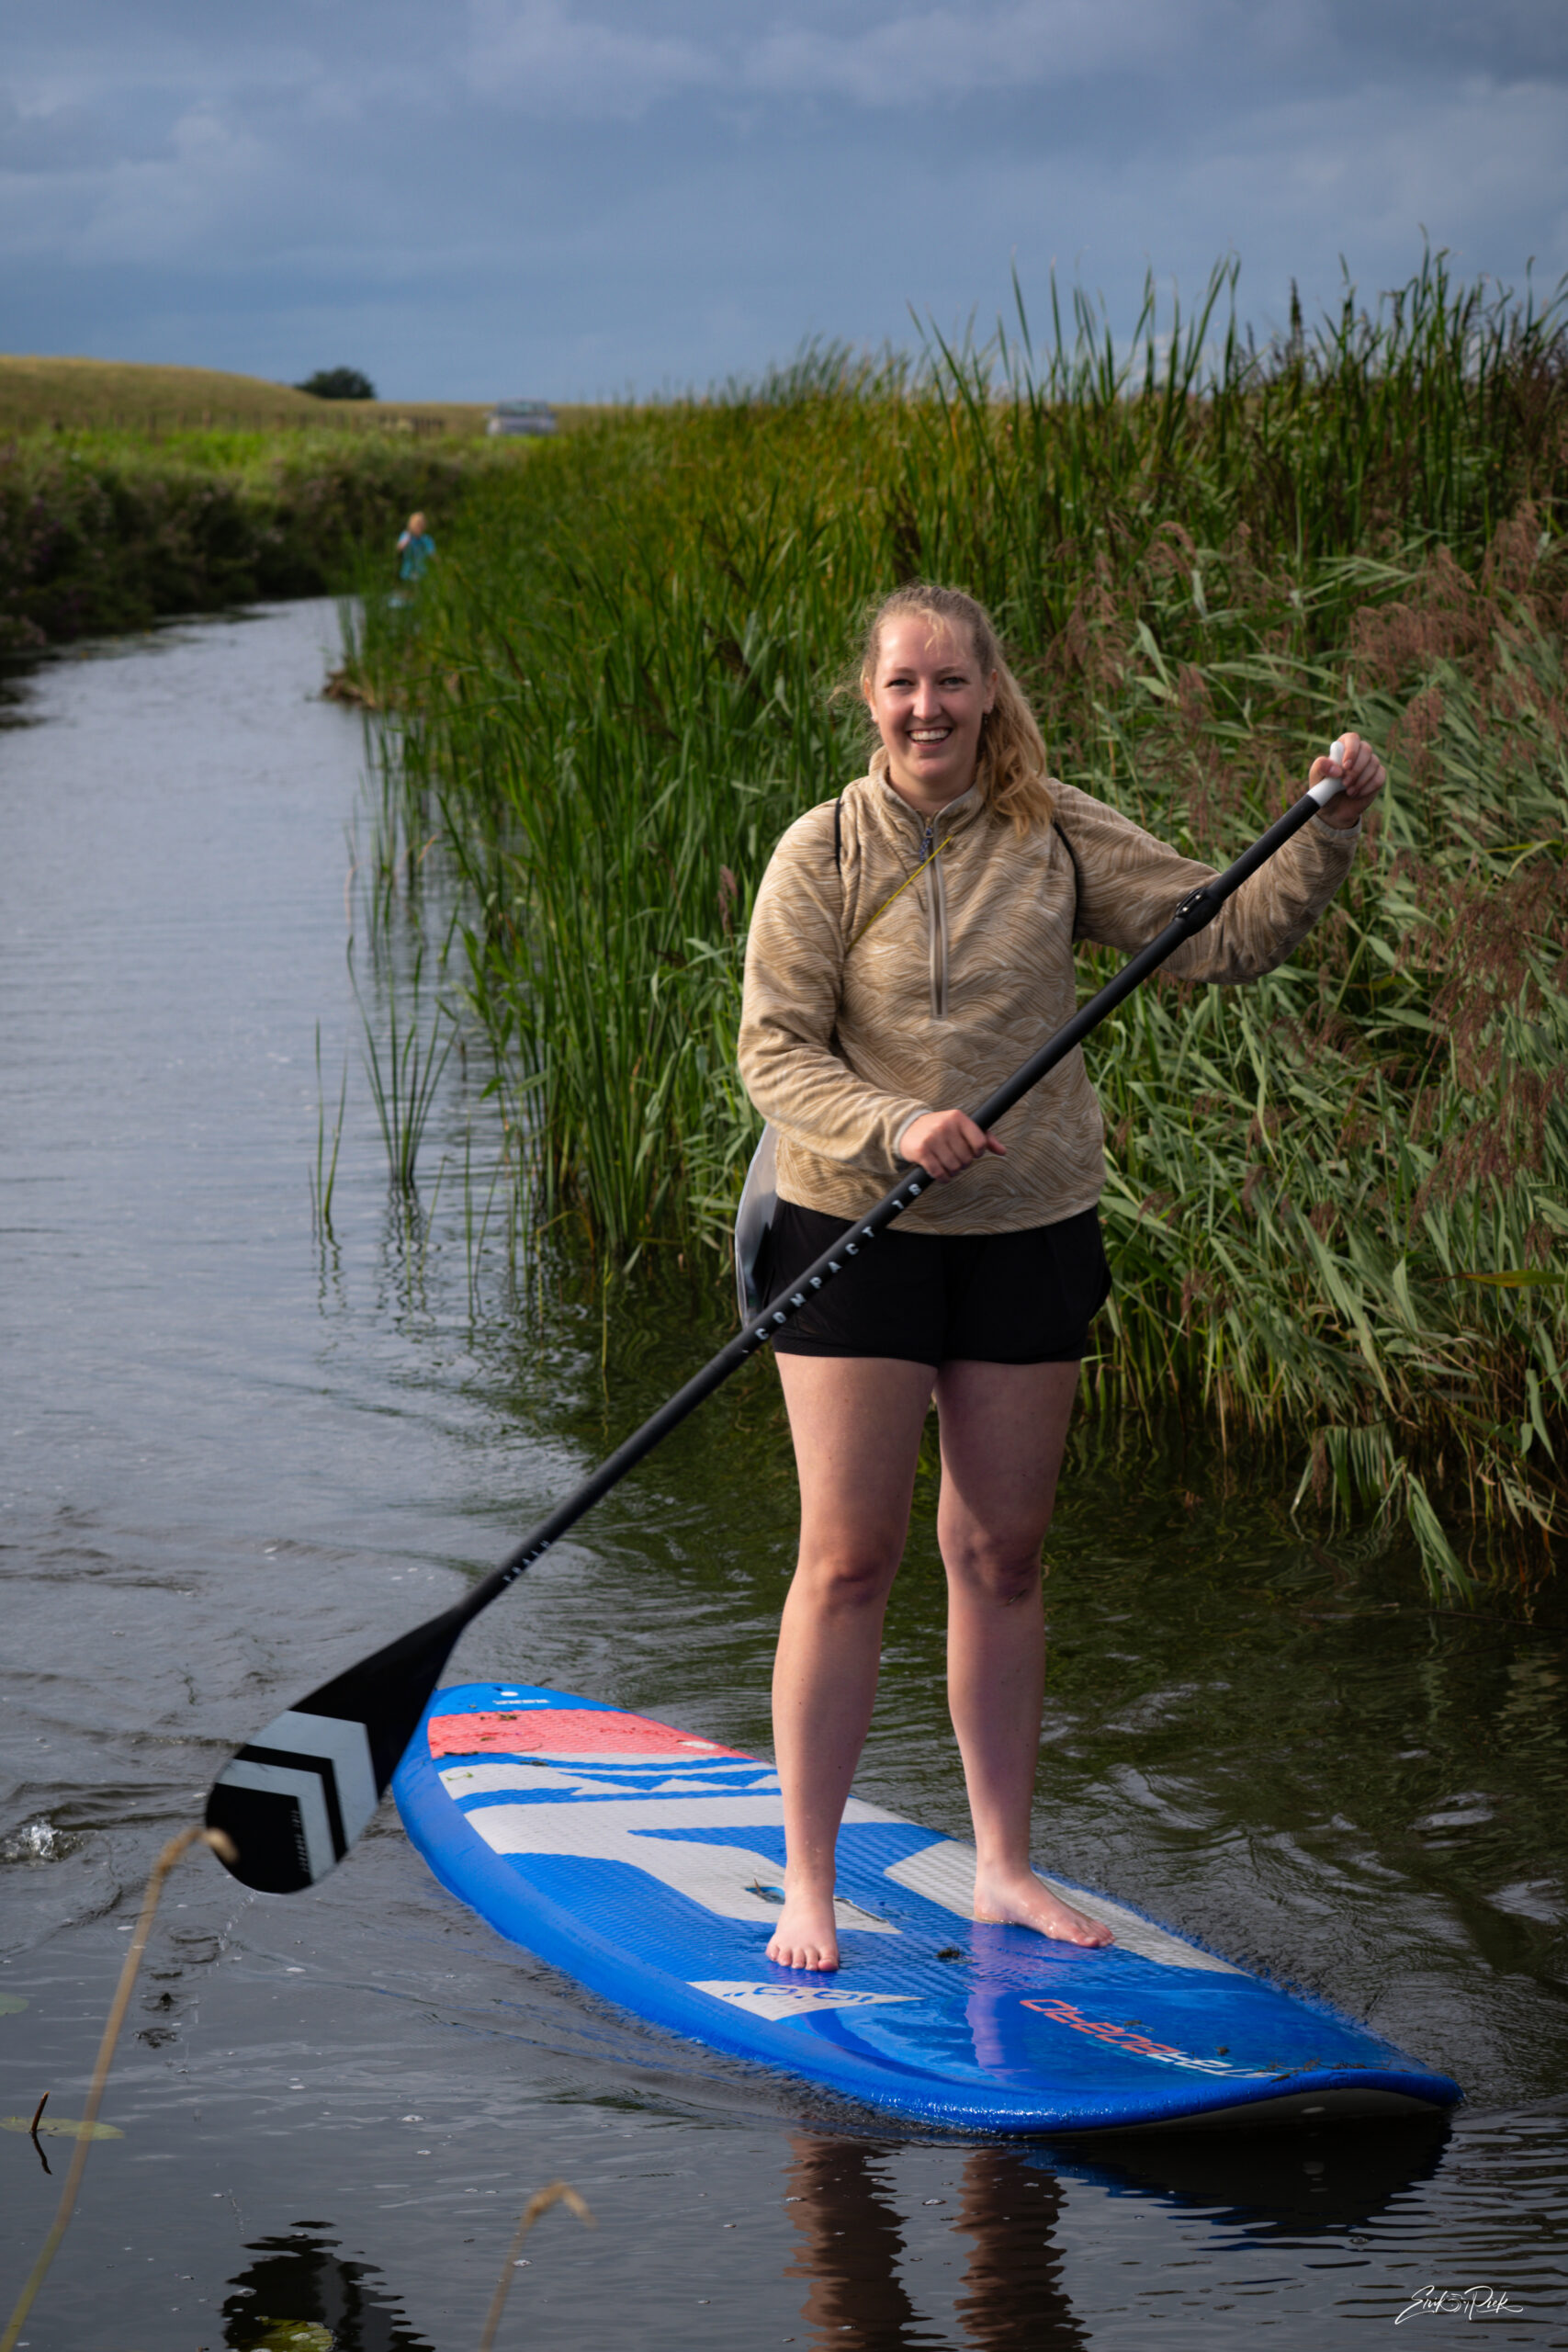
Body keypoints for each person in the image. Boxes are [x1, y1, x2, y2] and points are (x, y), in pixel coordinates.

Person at [737, 582, 1385, 1973]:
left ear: (989, 691)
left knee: (1003, 1555)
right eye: (902, 684)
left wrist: (1327, 830)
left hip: (1028, 1230)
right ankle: (808, 1883)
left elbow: (1223, 935)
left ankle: (1002, 1870)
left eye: (950, 682)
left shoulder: (1055, 831)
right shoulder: (821, 849)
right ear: (869, 698)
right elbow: (772, 1052)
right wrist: (893, 1124)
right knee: (848, 1559)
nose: (927, 707)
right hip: (853, 1228)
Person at [396, 512, 434, 584]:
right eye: (417, 525)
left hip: (422, 572)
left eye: (421, 525)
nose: (419, 528)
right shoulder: (406, 536)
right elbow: (399, 548)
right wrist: (408, 537)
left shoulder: (426, 539)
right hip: (407, 573)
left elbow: (432, 554)